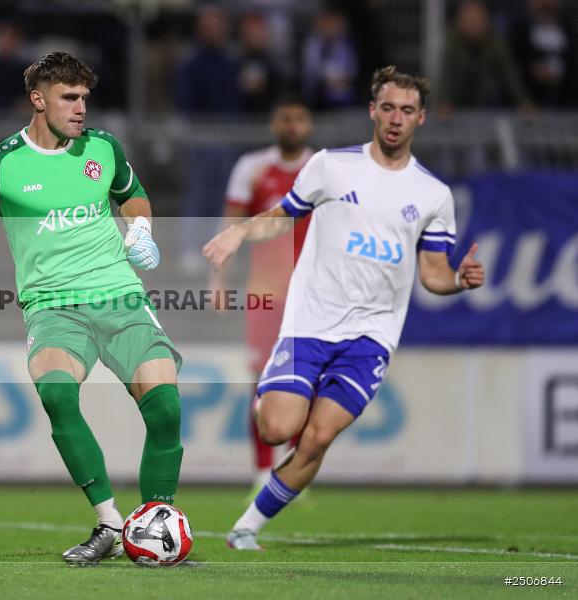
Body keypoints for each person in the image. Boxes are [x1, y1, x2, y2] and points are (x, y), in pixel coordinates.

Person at [0, 52, 183, 564]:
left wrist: (140, 228)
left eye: (85, 98)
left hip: (119, 295)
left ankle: (156, 524)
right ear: (38, 100)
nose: (81, 109)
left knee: (165, 408)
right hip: (53, 307)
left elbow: (134, 196)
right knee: (57, 394)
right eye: (69, 98)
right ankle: (110, 524)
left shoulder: (104, 148)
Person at [202, 66, 485, 550]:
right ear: (373, 110)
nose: (397, 118)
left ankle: (247, 526)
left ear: (422, 119)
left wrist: (458, 280)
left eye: (408, 111)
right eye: (389, 107)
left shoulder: (433, 195)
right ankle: (271, 398)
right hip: (309, 324)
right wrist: (240, 231)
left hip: (370, 338)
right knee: (277, 429)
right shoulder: (331, 166)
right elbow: (281, 216)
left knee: (316, 438)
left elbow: (433, 272)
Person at [210, 100, 314, 491]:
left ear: (309, 124)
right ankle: (261, 473)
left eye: (299, 118)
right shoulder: (252, 168)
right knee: (263, 384)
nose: (292, 125)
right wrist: (217, 280)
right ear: (274, 123)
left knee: (307, 385)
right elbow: (230, 226)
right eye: (285, 118)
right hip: (266, 295)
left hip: (311, 297)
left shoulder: (321, 170)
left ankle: (295, 472)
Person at [175, 4, 242, 274]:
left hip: (228, 136)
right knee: (200, 192)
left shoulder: (232, 61)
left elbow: (237, 101)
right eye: (208, 23)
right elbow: (186, 101)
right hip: (201, 137)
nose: (214, 29)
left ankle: (216, 249)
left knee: (222, 196)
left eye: (218, 23)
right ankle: (191, 248)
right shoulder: (191, 62)